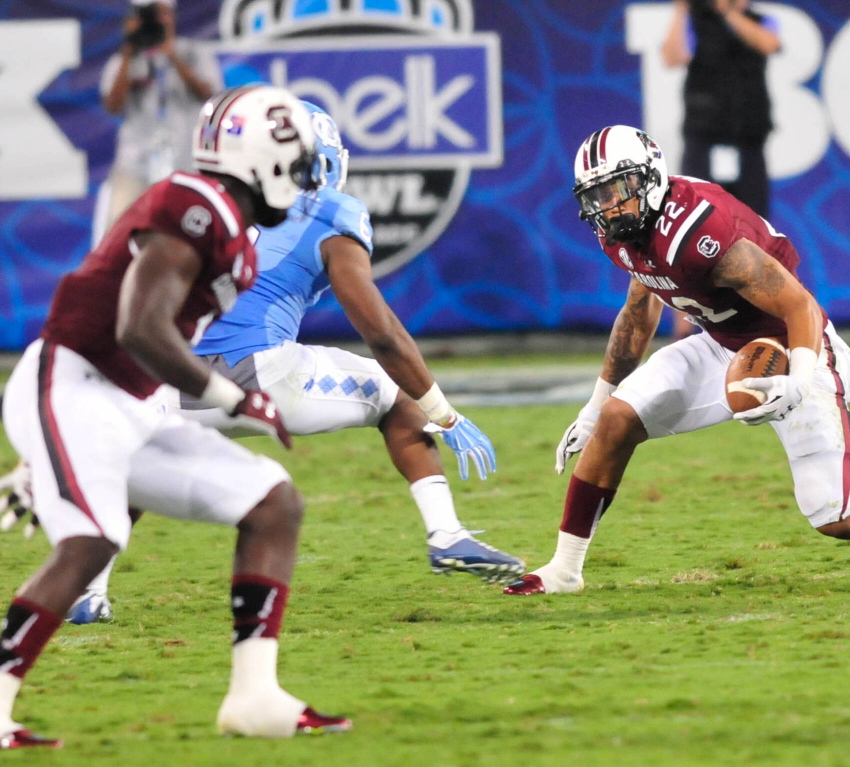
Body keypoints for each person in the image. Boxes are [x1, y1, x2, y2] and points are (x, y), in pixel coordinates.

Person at [9, 102, 524, 626]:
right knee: (397, 399)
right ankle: (446, 534)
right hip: (262, 374)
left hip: (173, 378)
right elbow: (382, 334)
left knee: (143, 465)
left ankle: (89, 591)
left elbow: (133, 311)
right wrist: (442, 413)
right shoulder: (332, 211)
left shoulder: (203, 206)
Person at [503, 127, 850, 596]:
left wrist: (801, 377)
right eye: (598, 196)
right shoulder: (622, 231)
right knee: (615, 422)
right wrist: (596, 405)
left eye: (619, 189)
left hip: (790, 344)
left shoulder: (700, 231)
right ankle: (565, 568)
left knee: (838, 516)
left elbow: (799, 306)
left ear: (650, 177)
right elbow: (639, 313)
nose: (609, 206)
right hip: (721, 341)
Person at [0, 85, 350, 748]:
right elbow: (139, 326)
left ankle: (254, 697)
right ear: (268, 161)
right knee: (93, 538)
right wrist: (234, 397)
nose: (306, 182)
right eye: (300, 165)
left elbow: (155, 348)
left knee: (272, 502)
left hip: (128, 399)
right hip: (74, 381)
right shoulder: (195, 205)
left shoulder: (233, 237)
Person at [662, 0, 780, 342]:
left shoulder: (760, 18)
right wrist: (681, 11)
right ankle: (684, 328)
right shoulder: (695, 19)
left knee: (754, 232)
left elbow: (769, 44)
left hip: (747, 143)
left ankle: (759, 317)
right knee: (688, 231)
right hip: (703, 141)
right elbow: (671, 57)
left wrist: (730, 13)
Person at [99, 0, 223, 232]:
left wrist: (172, 55)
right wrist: (129, 51)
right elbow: (113, 106)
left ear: (172, 15)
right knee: (117, 232)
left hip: (186, 166)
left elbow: (210, 95)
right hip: (135, 166)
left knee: (195, 233)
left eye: (162, 13)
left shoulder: (193, 53)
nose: (158, 20)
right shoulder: (126, 59)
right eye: (151, 14)